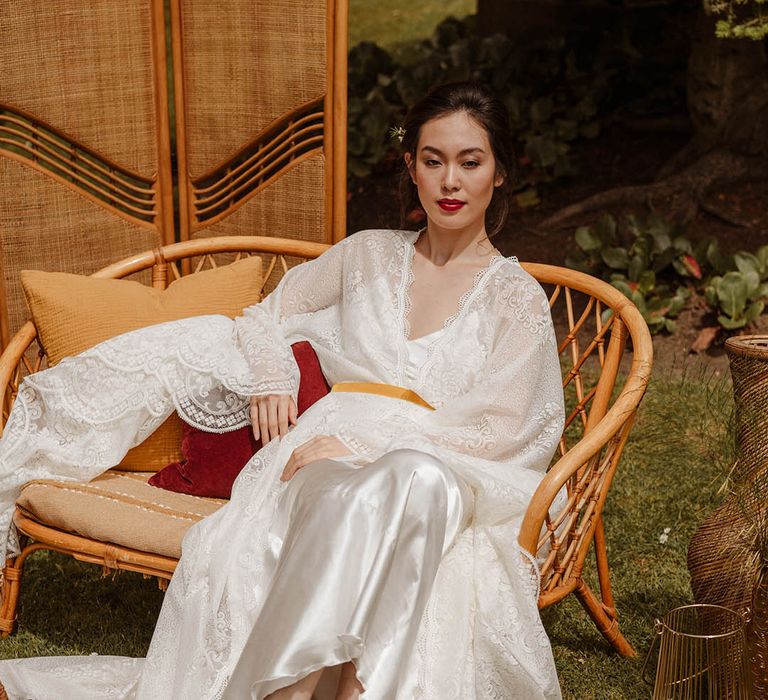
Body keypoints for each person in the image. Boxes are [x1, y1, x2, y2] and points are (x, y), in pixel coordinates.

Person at [0, 82, 564, 699]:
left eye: (470, 162)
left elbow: (510, 429)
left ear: (500, 174)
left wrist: (376, 449)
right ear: (412, 168)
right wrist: (273, 376)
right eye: (434, 161)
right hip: (319, 452)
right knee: (350, 490)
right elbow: (266, 315)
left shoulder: (516, 299)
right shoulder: (366, 256)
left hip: (448, 464)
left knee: (415, 478)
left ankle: (284, 694)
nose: (450, 182)